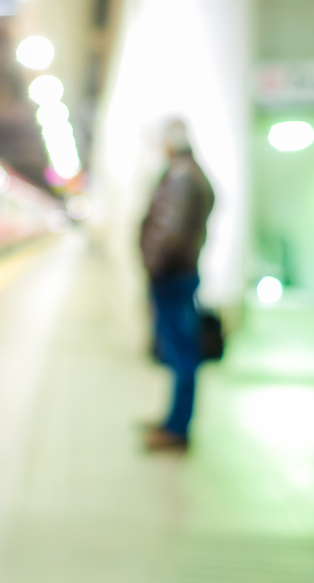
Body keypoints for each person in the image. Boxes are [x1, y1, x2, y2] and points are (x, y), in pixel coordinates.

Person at [140, 119, 214, 451]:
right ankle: (173, 420)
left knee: (181, 350)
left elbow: (170, 231)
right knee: (178, 348)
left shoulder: (182, 175)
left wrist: (155, 265)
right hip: (179, 273)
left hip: (172, 276)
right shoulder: (191, 173)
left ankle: (177, 428)